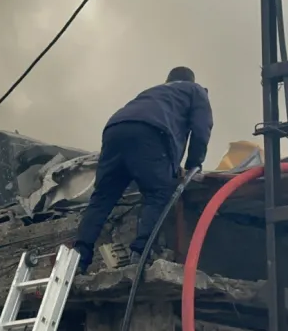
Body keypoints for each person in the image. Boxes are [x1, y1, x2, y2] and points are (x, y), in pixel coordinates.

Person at [72, 66, 213, 273]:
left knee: (102, 199)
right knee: (158, 193)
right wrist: (193, 165)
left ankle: (78, 259)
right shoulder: (195, 90)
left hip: (115, 129)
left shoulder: (153, 93)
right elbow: (202, 130)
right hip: (150, 132)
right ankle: (141, 253)